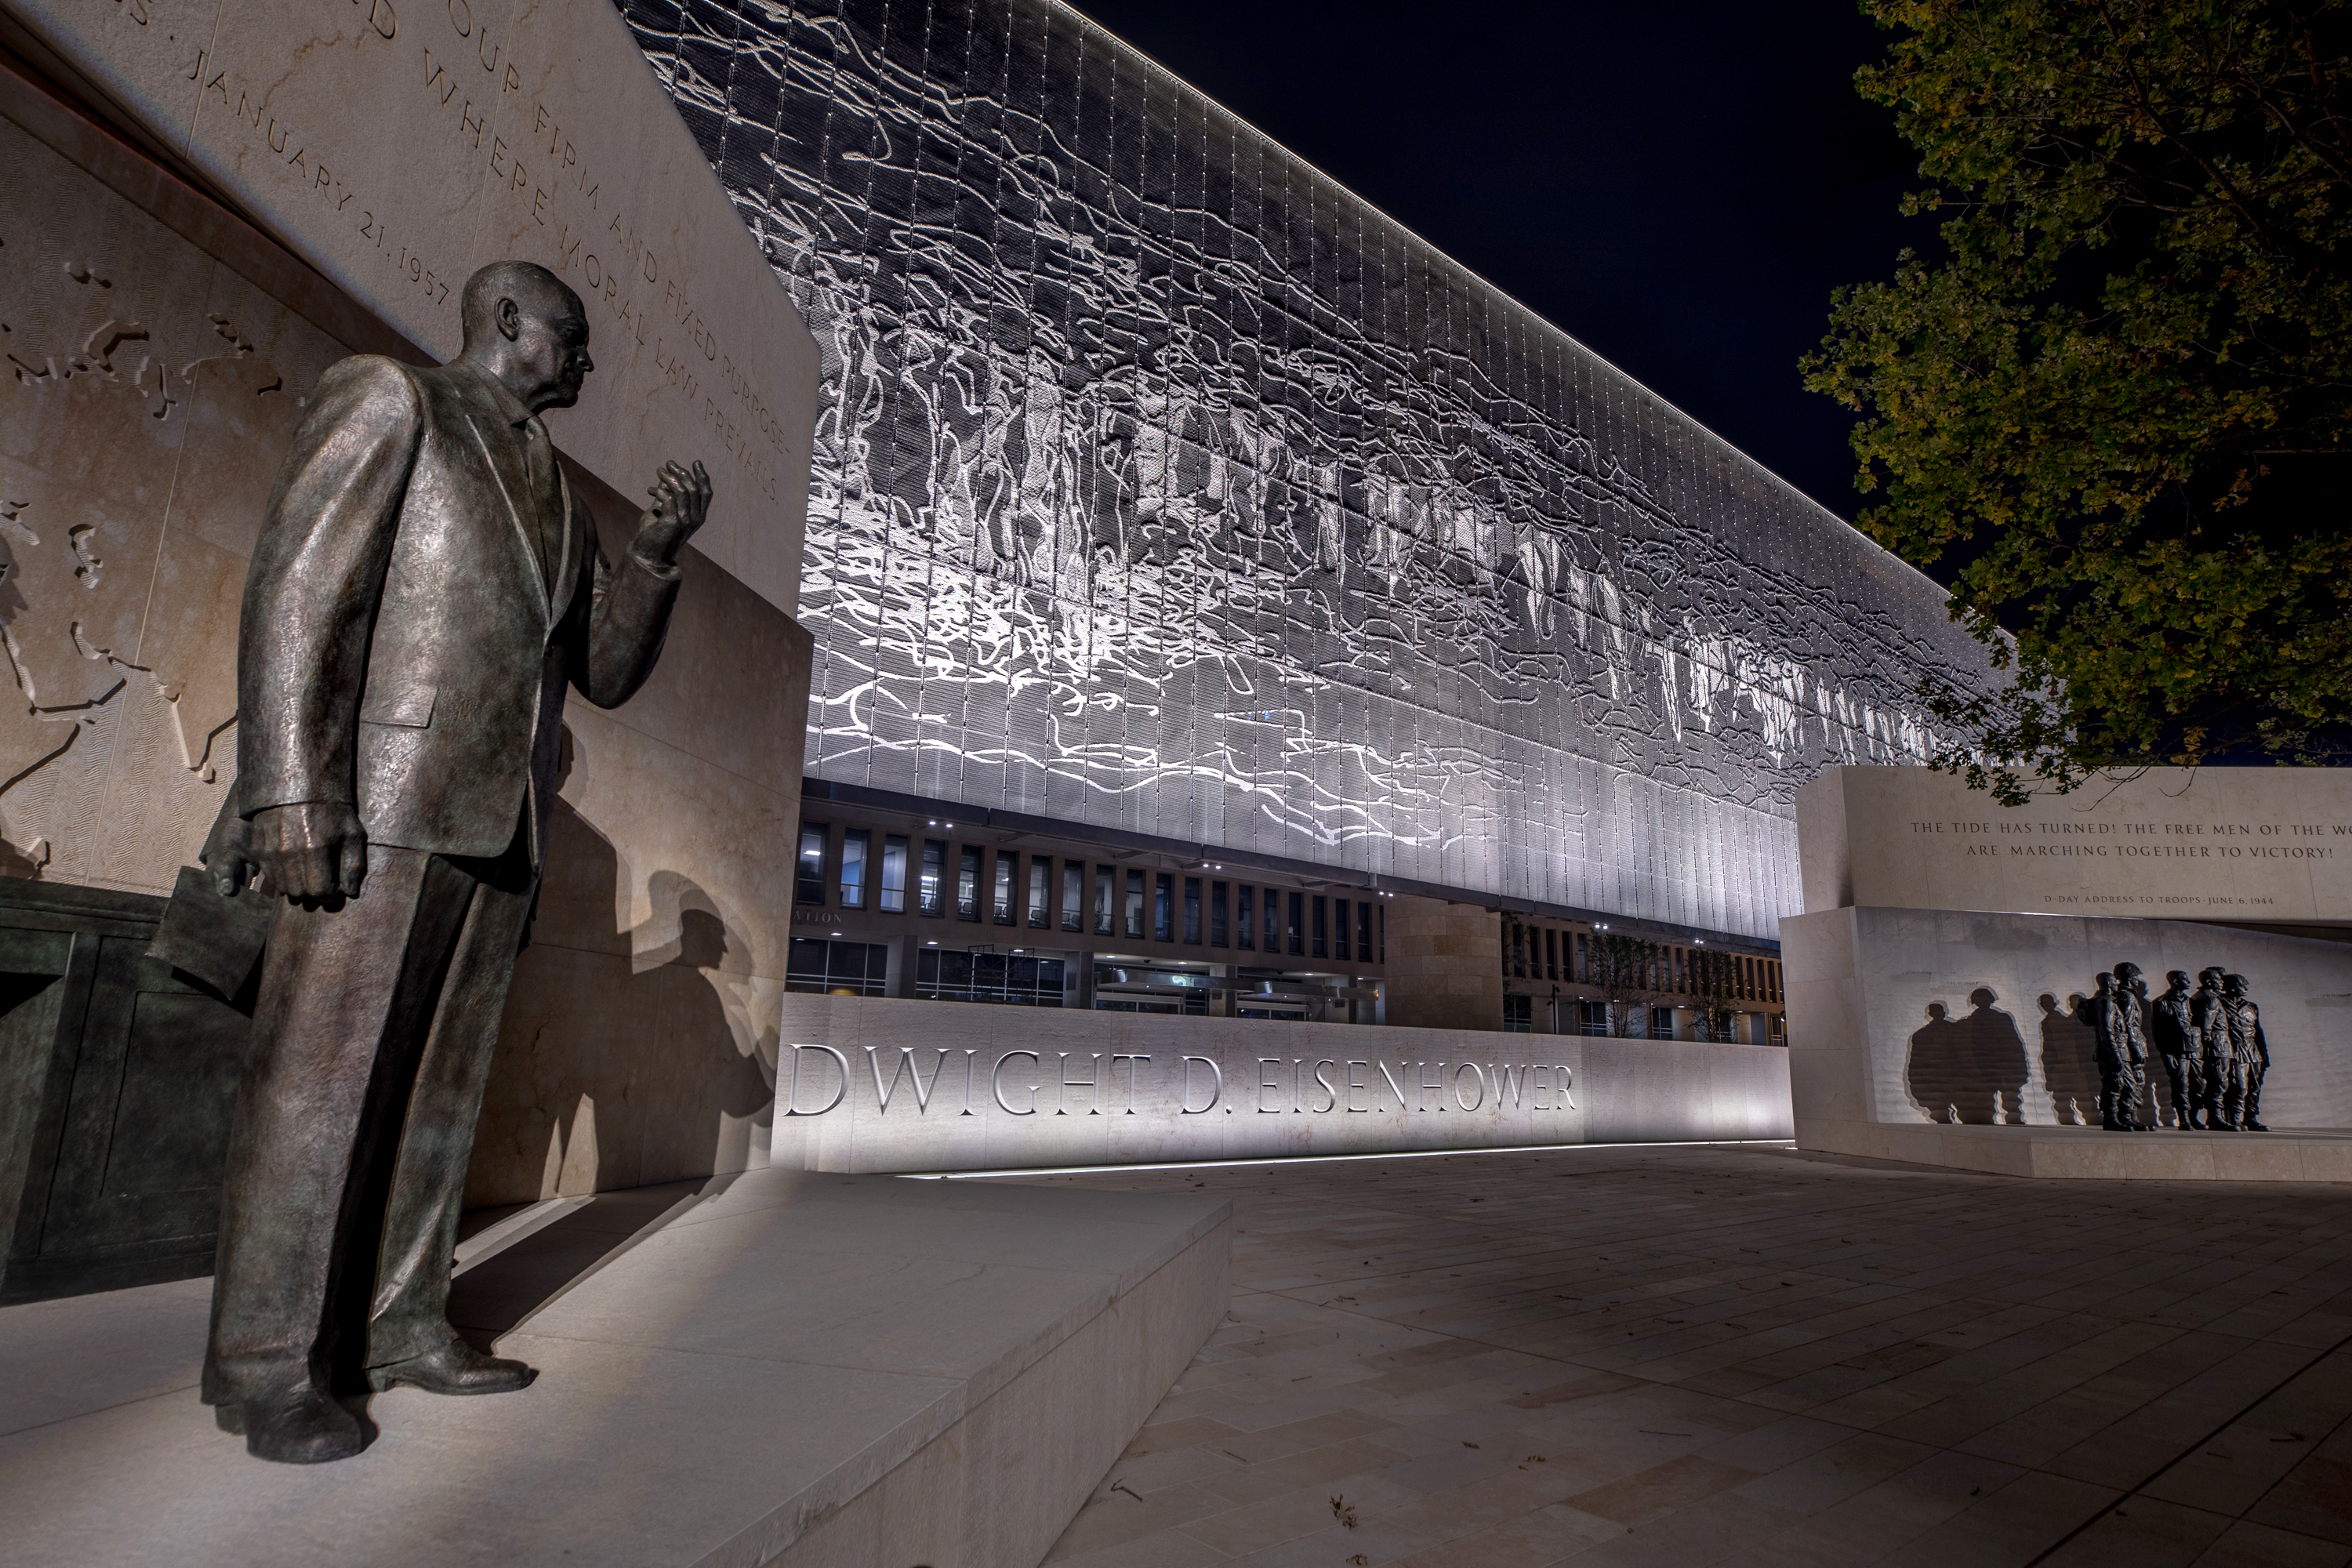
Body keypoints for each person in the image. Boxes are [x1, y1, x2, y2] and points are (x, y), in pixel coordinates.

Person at [198, 261, 712, 1464]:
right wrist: (290, 790)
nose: (588, 361)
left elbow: (604, 671)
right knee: (319, 1092)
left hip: (495, 832)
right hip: (377, 813)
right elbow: (298, 592)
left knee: (439, 1096)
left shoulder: (557, 490)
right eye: (573, 337)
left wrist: (654, 555)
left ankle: (401, 1323)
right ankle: (271, 1364)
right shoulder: (393, 402)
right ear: (510, 322)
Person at [2149, 970, 2202, 1129]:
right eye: (2185, 979)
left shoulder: (2192, 1002)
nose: (2189, 982)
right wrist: (2165, 1053)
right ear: (2176, 981)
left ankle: (2194, 1117)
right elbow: (2157, 1031)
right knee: (2181, 1085)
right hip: (2176, 1050)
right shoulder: (2161, 1002)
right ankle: (2184, 1118)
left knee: (2198, 1085)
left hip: (2195, 1049)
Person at [2223, 974, 2270, 1132]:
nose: (2245, 989)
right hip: (2235, 1048)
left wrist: (2264, 1055)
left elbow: (2259, 1032)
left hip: (2253, 1050)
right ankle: (2235, 1117)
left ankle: (2250, 1117)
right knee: (2239, 1086)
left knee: (2254, 1086)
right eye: (2242, 985)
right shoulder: (2221, 1004)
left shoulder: (2251, 1006)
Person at [2193, 967, 2236, 1129]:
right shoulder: (2211, 999)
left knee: (2214, 1081)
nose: (2222, 983)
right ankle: (2216, 1118)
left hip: (2216, 1044)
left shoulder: (2200, 996)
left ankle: (2215, 1116)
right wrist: (2209, 1044)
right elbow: (2206, 1028)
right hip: (2218, 1044)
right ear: (2210, 982)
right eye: (2218, 980)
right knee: (2219, 1081)